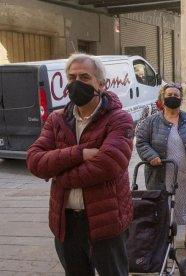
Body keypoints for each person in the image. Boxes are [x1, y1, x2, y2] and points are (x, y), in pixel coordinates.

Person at [26, 53, 134, 276]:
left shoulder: (119, 119)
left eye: (85, 77)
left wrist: (61, 177)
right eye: (72, 77)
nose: (77, 83)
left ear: (101, 84)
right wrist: (80, 153)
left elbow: (108, 164)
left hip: (106, 223)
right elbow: (35, 161)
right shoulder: (56, 120)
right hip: (66, 224)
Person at [136, 83, 186, 255]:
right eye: (169, 94)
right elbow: (141, 142)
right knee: (164, 209)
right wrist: (151, 156)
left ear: (180, 98)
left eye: (176, 95)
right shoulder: (151, 122)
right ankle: (165, 241)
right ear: (162, 98)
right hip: (163, 174)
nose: (173, 97)